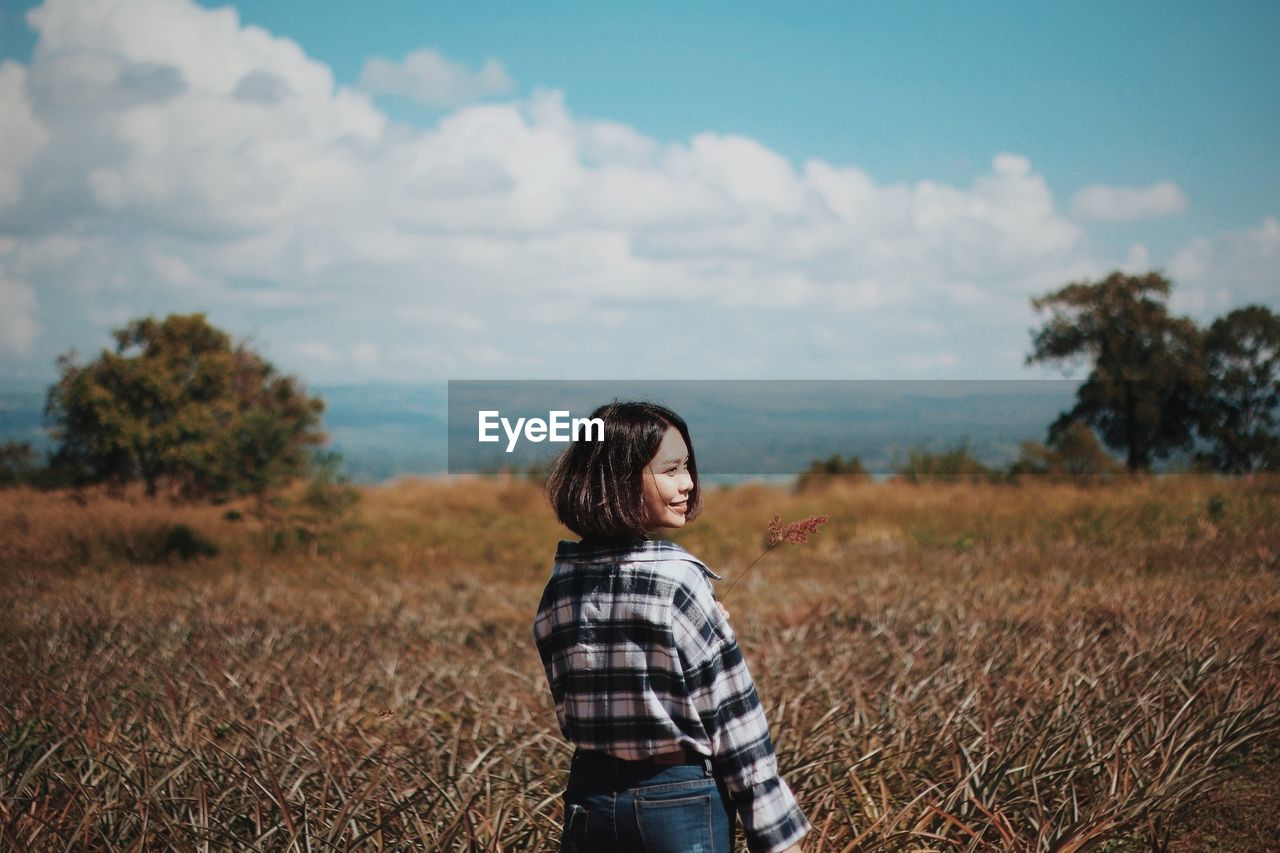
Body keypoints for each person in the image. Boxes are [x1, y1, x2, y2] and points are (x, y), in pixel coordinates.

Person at [532, 400, 810, 853]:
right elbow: (734, 719)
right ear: (619, 479)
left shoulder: (560, 584)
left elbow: (571, 706)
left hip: (589, 798)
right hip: (677, 799)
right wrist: (776, 835)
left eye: (687, 467)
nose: (688, 483)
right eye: (671, 470)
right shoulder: (679, 580)